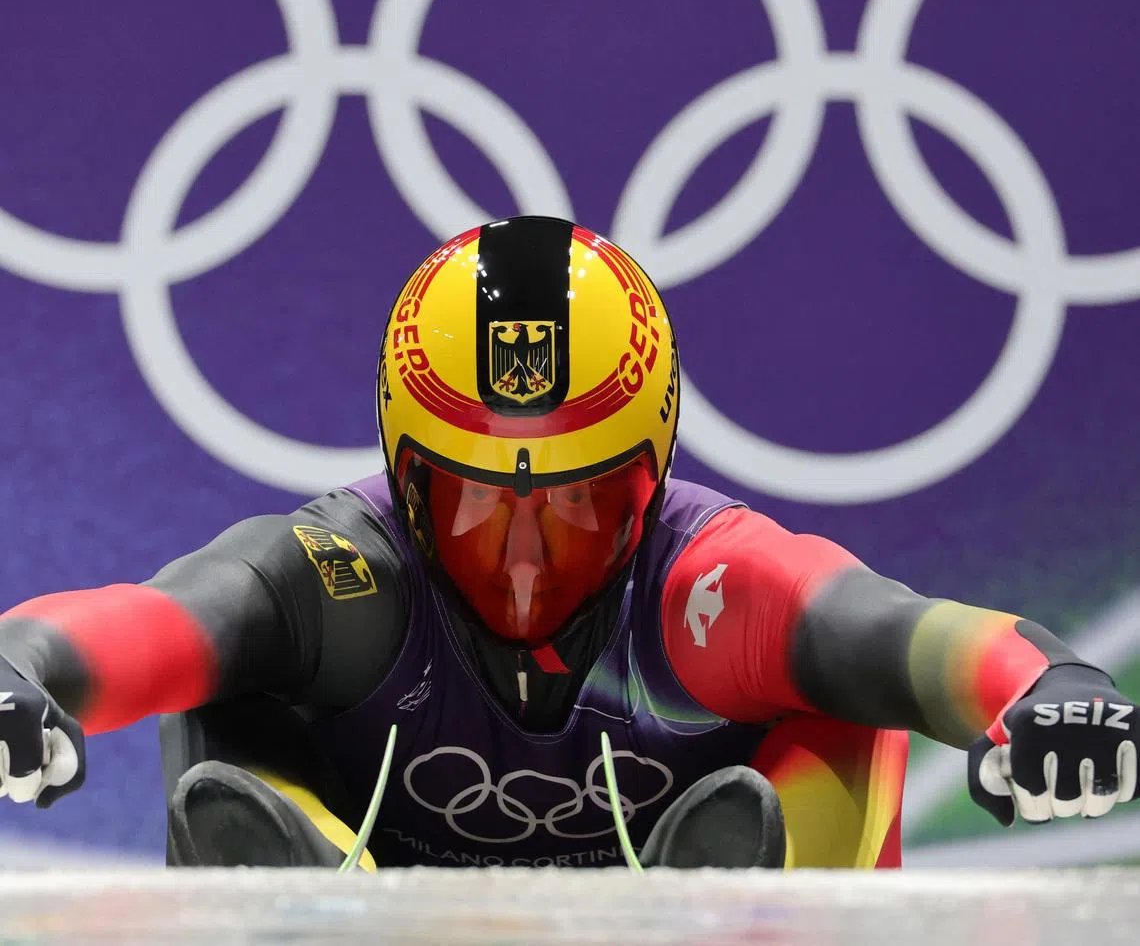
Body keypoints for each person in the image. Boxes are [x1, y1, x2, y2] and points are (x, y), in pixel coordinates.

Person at [0, 216, 1135, 870]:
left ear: (653, 476)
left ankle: (745, 912)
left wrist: (1052, 690)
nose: (528, 565)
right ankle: (299, 906)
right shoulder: (337, 574)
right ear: (403, 474)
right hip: (368, 906)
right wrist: (17, 672)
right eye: (476, 507)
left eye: (580, 508)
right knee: (228, 690)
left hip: (743, 898)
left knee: (840, 683)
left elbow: (925, 639)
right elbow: (138, 627)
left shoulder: (718, 578)